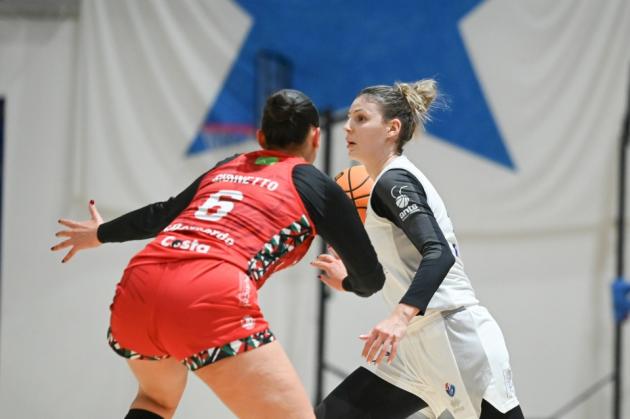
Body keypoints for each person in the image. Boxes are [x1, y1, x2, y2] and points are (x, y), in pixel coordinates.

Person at [51, 89, 385, 419]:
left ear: (261, 137)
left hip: (141, 282)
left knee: (155, 401)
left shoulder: (229, 166)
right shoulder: (316, 185)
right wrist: (347, 281)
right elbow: (371, 278)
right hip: (208, 290)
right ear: (315, 137)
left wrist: (99, 233)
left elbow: (162, 213)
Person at [312, 80, 525, 419]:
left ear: (392, 129)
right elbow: (398, 270)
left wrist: (398, 317)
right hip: (412, 349)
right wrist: (349, 281)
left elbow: (439, 253)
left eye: (361, 118)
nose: (348, 126)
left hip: (453, 335)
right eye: (349, 118)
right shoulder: (384, 184)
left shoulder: (394, 181)